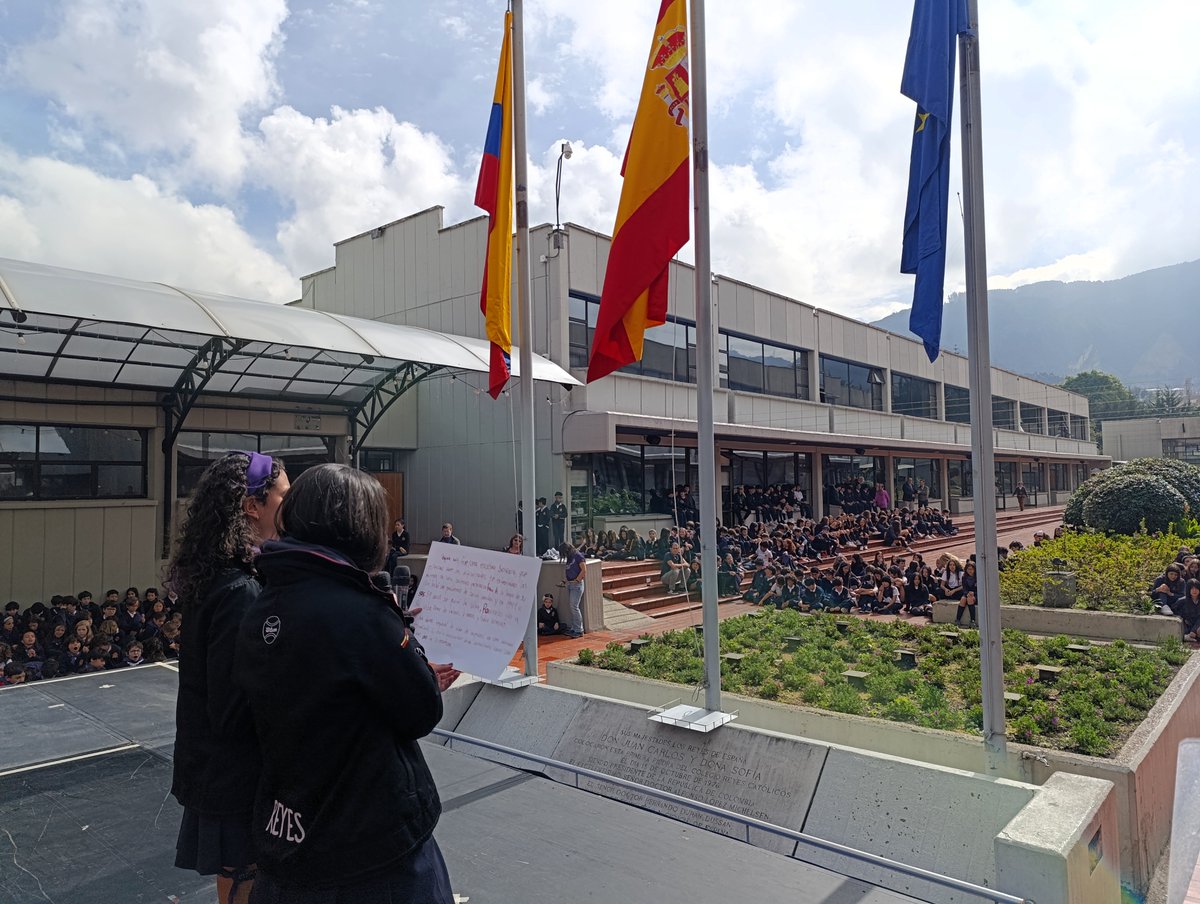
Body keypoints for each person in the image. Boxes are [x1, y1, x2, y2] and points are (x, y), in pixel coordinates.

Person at [235, 464, 457, 904]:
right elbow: (420, 711)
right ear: (361, 528)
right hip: (372, 848)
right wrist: (407, 650)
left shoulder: (261, 603)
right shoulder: (361, 612)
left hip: (286, 836)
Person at [169, 450, 289, 904]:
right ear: (252, 506)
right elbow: (235, 704)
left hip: (215, 764)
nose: (289, 508)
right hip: (236, 773)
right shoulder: (241, 591)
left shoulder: (219, 577)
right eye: (284, 497)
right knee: (246, 876)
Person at [560, 542, 587, 638]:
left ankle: (579, 630)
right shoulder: (570, 557)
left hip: (576, 584)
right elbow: (570, 570)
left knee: (574, 606)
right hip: (570, 583)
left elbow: (584, 569)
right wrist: (565, 580)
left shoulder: (578, 556)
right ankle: (574, 628)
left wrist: (577, 580)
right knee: (572, 607)